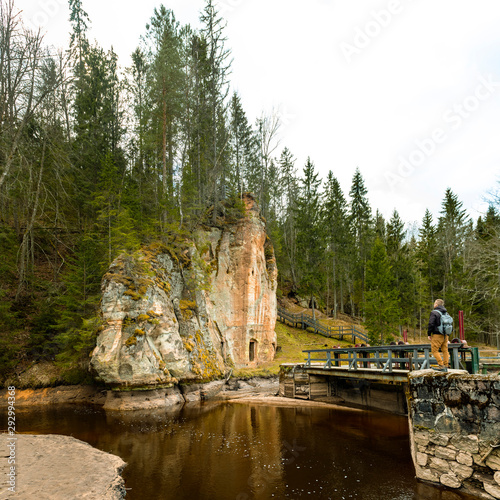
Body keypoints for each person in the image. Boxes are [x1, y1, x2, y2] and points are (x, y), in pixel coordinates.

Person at [427, 298, 450, 372]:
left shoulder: (434, 312)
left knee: (434, 350)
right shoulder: (446, 313)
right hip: (445, 335)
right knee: (445, 350)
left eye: (434, 303)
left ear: (436, 304)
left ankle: (441, 365)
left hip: (437, 334)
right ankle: (446, 365)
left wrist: (429, 334)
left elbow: (431, 323)